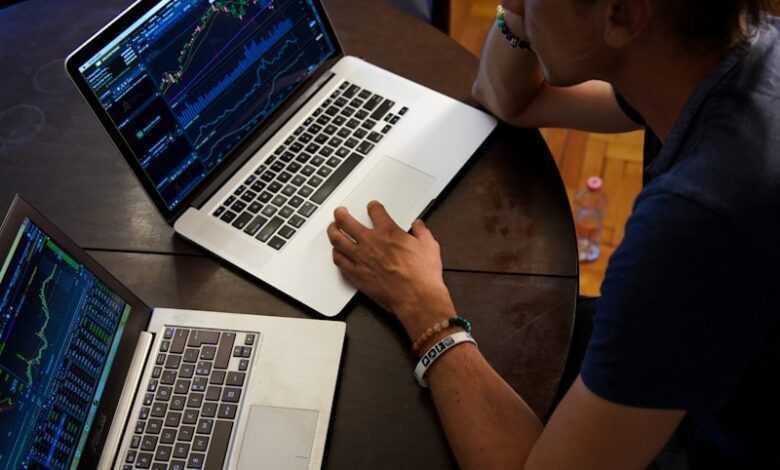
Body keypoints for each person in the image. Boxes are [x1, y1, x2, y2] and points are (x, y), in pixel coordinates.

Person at [326, 0, 780, 468]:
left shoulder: (697, 221)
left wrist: (424, 309)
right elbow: (508, 99)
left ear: (623, 16)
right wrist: (524, 17)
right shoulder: (728, 53)